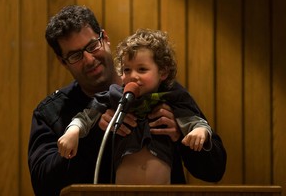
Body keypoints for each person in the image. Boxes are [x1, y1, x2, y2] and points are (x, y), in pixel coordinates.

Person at [28, 5, 226, 196]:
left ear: (104, 38)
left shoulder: (164, 92)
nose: (89, 59)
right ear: (63, 61)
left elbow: (214, 169)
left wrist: (181, 133)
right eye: (75, 55)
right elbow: (44, 186)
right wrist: (95, 133)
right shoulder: (50, 112)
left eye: (92, 46)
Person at [57, 28, 213, 185]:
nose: (133, 76)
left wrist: (201, 131)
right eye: (127, 70)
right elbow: (85, 117)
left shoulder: (173, 98)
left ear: (163, 72)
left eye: (142, 69)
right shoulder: (115, 96)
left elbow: (195, 121)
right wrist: (73, 131)